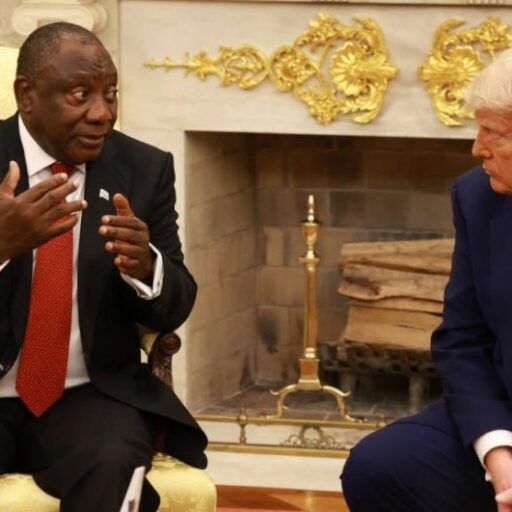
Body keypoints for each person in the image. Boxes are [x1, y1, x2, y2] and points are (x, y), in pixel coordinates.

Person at [0, 21, 207, 512]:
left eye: (110, 94)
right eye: (80, 95)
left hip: (87, 395)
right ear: (27, 95)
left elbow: (175, 305)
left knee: (115, 459)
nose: (102, 114)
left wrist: (146, 268)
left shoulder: (144, 169)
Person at [340, 48, 512, 512]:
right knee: (380, 466)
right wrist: (498, 452)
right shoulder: (477, 197)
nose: (477, 148)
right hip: (501, 413)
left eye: (493, 132)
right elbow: (462, 339)